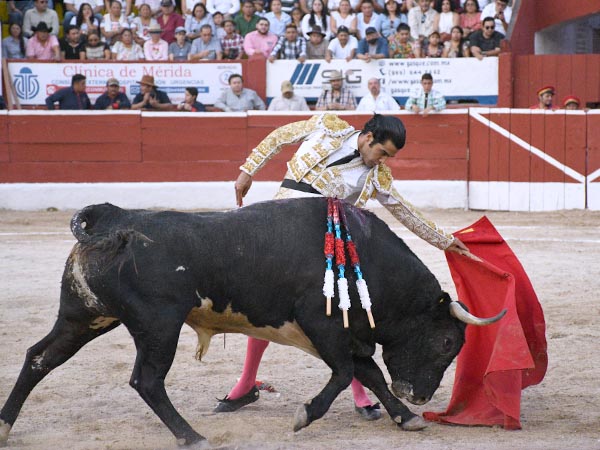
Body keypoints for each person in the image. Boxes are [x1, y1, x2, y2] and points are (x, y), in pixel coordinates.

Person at [221, 113, 470, 418]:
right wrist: (248, 170)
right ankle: (247, 384)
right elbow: (279, 137)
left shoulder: (376, 176)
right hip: (273, 229)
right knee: (265, 307)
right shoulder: (328, 125)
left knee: (339, 317)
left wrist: (444, 240)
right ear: (368, 138)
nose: (383, 161)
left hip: (316, 247)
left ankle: (360, 394)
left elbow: (405, 211)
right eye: (383, 153)